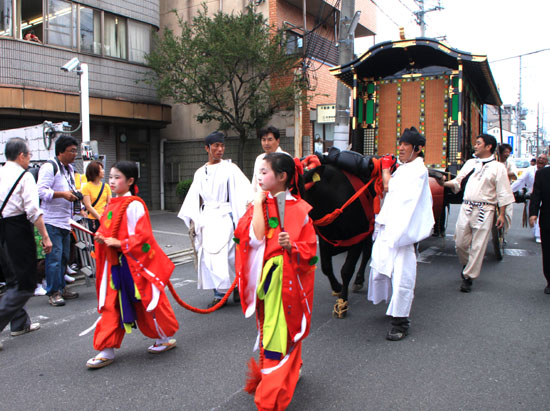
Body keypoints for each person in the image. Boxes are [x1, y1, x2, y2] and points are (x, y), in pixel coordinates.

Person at [234, 152, 317, 410]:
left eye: (264, 172)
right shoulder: (258, 204)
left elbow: (311, 254)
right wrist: (258, 204)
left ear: (282, 177)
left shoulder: (301, 211)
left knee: (277, 337)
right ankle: (291, 369)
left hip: (288, 284)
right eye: (259, 172)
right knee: (277, 333)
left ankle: (269, 399)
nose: (259, 177)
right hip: (265, 283)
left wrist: (293, 247)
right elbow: (255, 238)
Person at [86, 161, 179, 368]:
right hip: (115, 265)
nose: (111, 181)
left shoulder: (135, 204)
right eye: (110, 176)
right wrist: (102, 238)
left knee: (145, 301)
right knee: (111, 305)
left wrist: (121, 243)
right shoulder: (112, 203)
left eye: (116, 177)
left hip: (133, 264)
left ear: (130, 181)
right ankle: (106, 349)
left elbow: (144, 237)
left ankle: (163, 337)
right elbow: (108, 229)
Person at [367, 127, 434, 341]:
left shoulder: (418, 171)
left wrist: (386, 173)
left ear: (418, 148)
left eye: (406, 144)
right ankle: (391, 307)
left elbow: (406, 202)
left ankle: (401, 321)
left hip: (403, 232)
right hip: (390, 228)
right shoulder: (405, 168)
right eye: (401, 143)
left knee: (403, 277)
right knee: (380, 268)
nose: (401, 148)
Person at [178, 131, 251, 308]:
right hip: (207, 218)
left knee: (229, 254)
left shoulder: (230, 168)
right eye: (216, 146)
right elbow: (194, 198)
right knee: (208, 257)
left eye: (222, 145)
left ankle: (234, 287)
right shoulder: (199, 173)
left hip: (226, 216)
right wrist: (194, 220)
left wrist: (247, 209)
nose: (220, 149)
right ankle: (219, 293)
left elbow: (245, 191)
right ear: (207, 148)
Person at [439, 134, 515, 293]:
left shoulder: (498, 167)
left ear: (488, 147)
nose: (475, 145)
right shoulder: (470, 163)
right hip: (466, 207)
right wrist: (443, 183)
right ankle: (467, 265)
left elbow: (503, 193)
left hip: (485, 209)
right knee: (460, 242)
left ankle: (468, 277)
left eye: (478, 143)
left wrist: (501, 214)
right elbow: (457, 181)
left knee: (479, 244)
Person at [0, 138, 52, 351]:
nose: (30, 159)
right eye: (29, 155)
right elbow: (33, 211)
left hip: (1, 229)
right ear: (21, 155)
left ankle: (20, 323)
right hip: (17, 230)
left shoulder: (1, 172)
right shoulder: (25, 176)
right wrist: (45, 237)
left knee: (13, 279)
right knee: (26, 283)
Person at [38, 135, 81, 306]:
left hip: (65, 220)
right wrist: (62, 194)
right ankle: (53, 292)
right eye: (71, 151)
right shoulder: (50, 167)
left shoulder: (69, 169)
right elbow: (41, 191)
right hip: (51, 221)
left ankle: (61, 288)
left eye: (75, 151)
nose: (75, 154)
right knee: (54, 258)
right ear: (60, 151)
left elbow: (71, 188)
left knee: (64, 257)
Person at [512, 154, 548, 243]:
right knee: (532, 214)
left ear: (546, 161)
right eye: (539, 158)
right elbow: (520, 180)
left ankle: (538, 234)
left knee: (541, 215)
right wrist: (509, 191)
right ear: (536, 160)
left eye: (543, 159)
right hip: (532, 196)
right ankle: (536, 232)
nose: (541, 160)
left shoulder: (547, 171)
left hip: (544, 197)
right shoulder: (530, 170)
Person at [529, 158, 550, 293]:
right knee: (548, 252)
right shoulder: (543, 174)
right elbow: (536, 195)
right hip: (548, 218)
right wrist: (533, 213)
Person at [252, 126, 288, 193]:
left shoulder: (285, 158)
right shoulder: (259, 159)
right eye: (263, 140)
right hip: (260, 199)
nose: (266, 143)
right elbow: (254, 184)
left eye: (270, 139)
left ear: (278, 141)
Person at [82, 160, 111, 233]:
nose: (103, 171)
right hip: (93, 220)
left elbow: (110, 203)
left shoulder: (106, 186)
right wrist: (100, 218)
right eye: (101, 169)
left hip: (106, 219)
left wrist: (108, 217)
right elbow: (88, 206)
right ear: (94, 171)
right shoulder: (86, 187)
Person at [498, 143, 516, 233]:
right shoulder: (495, 163)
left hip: (506, 190)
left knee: (508, 213)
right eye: (505, 152)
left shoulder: (509, 164)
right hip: (495, 191)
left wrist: (503, 173)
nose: (507, 154)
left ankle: (504, 233)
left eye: (508, 152)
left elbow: (514, 174)